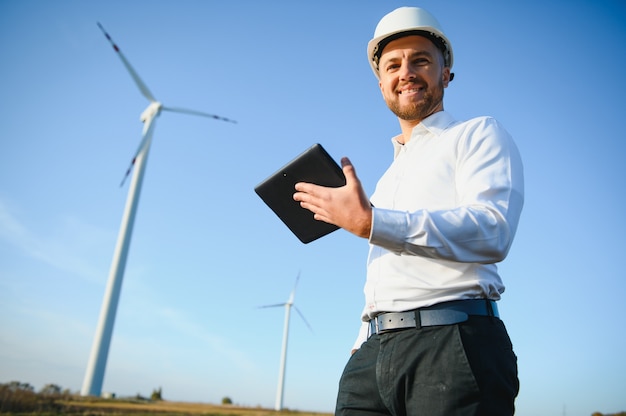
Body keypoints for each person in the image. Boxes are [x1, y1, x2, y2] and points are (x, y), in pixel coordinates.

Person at [293, 6, 524, 416]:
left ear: (446, 71)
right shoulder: (384, 180)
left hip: (453, 344)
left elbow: (493, 230)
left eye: (421, 60)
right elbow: (389, 269)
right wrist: (361, 340)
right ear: (381, 83)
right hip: (372, 356)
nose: (406, 72)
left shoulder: (477, 134)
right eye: (393, 65)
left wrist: (372, 222)